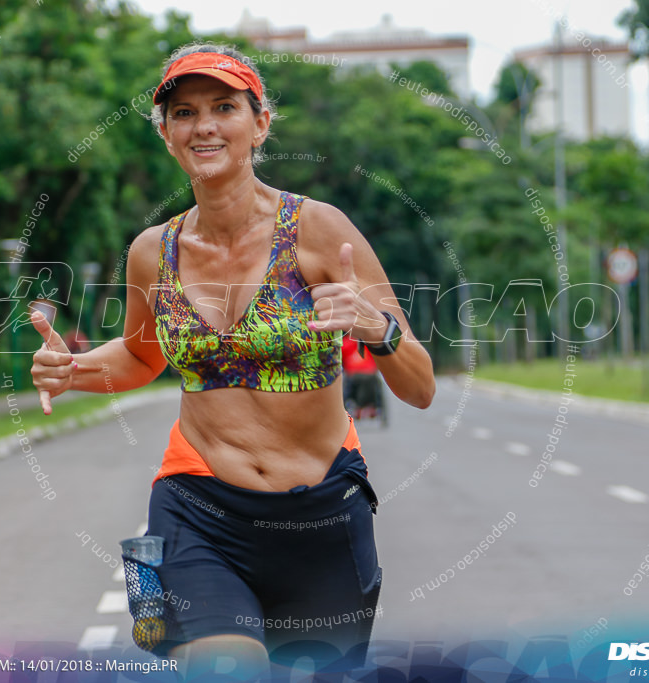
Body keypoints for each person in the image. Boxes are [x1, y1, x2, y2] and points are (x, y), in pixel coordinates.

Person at [31, 43, 435, 680]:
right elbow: (140, 357)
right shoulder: (152, 252)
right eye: (185, 113)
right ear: (166, 134)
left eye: (225, 107)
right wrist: (73, 370)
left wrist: (376, 328)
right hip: (199, 508)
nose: (206, 125)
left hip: (321, 511)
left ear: (260, 122)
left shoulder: (321, 230)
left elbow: (421, 387)